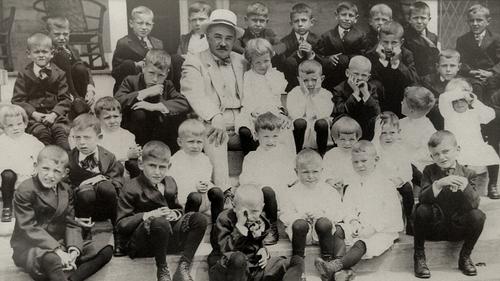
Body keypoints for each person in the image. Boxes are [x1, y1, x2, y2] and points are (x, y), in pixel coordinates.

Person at [10, 146, 112, 281]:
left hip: (61, 240)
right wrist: (57, 251)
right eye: (45, 168)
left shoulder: (66, 190)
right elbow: (29, 228)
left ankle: (72, 277)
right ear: (36, 166)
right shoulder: (25, 189)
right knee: (51, 259)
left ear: (65, 173)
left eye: (57, 171)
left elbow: (71, 222)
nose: (50, 175)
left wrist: (73, 249)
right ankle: (57, 269)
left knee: (105, 249)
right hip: (32, 245)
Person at [116, 141, 208, 281]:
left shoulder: (170, 182)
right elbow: (121, 225)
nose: (157, 172)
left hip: (167, 239)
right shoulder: (131, 187)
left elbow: (178, 209)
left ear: (169, 167)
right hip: (142, 243)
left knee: (199, 219)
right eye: (152, 166)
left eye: (162, 167)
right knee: (159, 222)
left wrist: (174, 214)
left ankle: (183, 267)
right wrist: (149, 215)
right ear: (141, 164)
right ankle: (163, 270)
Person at [316, 140, 403, 280]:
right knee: (338, 230)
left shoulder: (386, 185)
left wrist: (373, 228)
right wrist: (353, 221)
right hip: (359, 226)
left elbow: (391, 214)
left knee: (362, 243)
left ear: (376, 160)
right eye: (355, 162)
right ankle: (342, 271)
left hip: (381, 231)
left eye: (364, 161)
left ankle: (334, 266)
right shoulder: (352, 184)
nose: (360, 165)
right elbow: (348, 207)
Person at [180, 9, 247, 191]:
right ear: (207, 36)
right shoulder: (194, 61)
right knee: (215, 137)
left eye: (228, 38)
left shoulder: (242, 61)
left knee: (278, 131)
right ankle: (224, 194)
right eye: (217, 37)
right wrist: (215, 116)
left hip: (244, 119)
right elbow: (194, 93)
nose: (223, 43)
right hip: (213, 120)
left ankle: (269, 191)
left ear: (235, 40)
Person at [413, 130, 486, 278]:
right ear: (431, 156)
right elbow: (422, 199)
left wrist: (465, 187)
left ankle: (465, 256)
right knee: (421, 210)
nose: (442, 157)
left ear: (457, 150)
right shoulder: (429, 171)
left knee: (478, 216)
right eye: (436, 154)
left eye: (446, 151)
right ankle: (419, 256)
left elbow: (474, 204)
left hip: (457, 228)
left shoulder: (468, 173)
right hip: (434, 227)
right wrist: (438, 185)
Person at [281, 149, 356, 281]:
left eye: (315, 172)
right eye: (305, 172)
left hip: (323, 234)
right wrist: (299, 216)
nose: (310, 176)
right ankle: (298, 264)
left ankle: (327, 261)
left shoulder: (328, 191)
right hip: (302, 234)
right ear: (296, 172)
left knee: (324, 222)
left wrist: (321, 214)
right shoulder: (291, 192)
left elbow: (338, 212)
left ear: (322, 170)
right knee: (299, 224)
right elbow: (284, 214)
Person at [209, 184, 303, 281]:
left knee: (296, 261)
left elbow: (258, 241)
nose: (249, 216)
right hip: (230, 270)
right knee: (238, 259)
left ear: (262, 207)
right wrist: (240, 227)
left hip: (254, 267)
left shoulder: (260, 219)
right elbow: (224, 250)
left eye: (255, 211)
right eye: (245, 212)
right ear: (234, 206)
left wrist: (263, 250)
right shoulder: (224, 219)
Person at [67, 114, 124, 255]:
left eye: (87, 138)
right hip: (83, 205)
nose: (82, 143)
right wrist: (82, 185)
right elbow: (65, 186)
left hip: (105, 205)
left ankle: (118, 232)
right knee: (86, 192)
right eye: (77, 137)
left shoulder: (108, 157)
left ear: (99, 138)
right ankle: (85, 233)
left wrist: (100, 179)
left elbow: (117, 182)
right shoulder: (69, 159)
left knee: (107, 187)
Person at [239, 112, 296, 245]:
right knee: (267, 190)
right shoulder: (251, 157)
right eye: (266, 137)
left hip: (281, 194)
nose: (271, 141)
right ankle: (271, 227)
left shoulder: (284, 155)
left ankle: (275, 225)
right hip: (260, 195)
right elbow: (246, 181)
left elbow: (291, 179)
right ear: (256, 135)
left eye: (275, 136)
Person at [115, 49, 189, 151]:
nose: (155, 79)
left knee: (177, 116)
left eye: (160, 75)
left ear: (167, 73)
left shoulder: (167, 85)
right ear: (144, 67)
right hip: (137, 131)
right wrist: (145, 92)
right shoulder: (131, 81)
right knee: (139, 114)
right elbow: (117, 101)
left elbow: (183, 103)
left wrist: (154, 106)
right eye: (151, 73)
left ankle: (169, 152)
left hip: (159, 132)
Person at [168, 118, 224, 250]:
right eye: (191, 142)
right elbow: (175, 186)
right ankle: (187, 228)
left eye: (199, 142)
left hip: (203, 200)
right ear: (180, 142)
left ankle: (216, 230)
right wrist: (195, 188)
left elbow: (206, 179)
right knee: (195, 196)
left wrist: (206, 186)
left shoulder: (204, 160)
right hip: (185, 202)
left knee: (217, 192)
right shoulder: (175, 161)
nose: (195, 146)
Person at [439, 78, 500, 199]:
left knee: (493, 156)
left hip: (476, 146)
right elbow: (443, 98)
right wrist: (460, 93)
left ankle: (492, 185)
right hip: (457, 148)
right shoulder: (448, 113)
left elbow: (490, 115)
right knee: (458, 165)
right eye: (455, 100)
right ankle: (463, 187)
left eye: (463, 99)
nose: (460, 103)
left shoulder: (474, 112)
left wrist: (474, 100)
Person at [12, 32, 72, 150]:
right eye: (36, 52)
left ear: (52, 53)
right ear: (29, 54)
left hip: (56, 117)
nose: (41, 55)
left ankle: (67, 164)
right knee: (41, 135)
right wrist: (34, 114)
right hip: (34, 119)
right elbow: (17, 100)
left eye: (44, 52)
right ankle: (44, 164)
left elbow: (65, 99)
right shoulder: (24, 74)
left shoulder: (59, 73)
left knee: (61, 136)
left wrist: (54, 114)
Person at [235, 38, 290, 154]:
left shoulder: (277, 75)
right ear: (251, 62)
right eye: (258, 62)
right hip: (253, 111)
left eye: (266, 61)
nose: (263, 65)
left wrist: (282, 113)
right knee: (244, 129)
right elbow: (247, 98)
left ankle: (277, 158)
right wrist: (253, 112)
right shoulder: (248, 76)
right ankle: (251, 158)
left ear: (271, 58)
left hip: (272, 111)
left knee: (280, 127)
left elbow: (279, 97)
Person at [372, 112, 414, 234]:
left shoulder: (401, 149)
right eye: (383, 133)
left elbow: (407, 170)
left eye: (392, 133)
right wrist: (376, 136)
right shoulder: (375, 148)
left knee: (407, 189)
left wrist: (400, 180)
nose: (388, 137)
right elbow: (371, 166)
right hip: (380, 182)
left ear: (398, 132)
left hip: (397, 181)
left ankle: (410, 219)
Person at [0, 105, 44, 222]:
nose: (16, 128)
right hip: (9, 178)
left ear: (25, 124)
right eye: (10, 125)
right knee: (7, 174)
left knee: (37, 180)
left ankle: (32, 210)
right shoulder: (3, 142)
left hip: (28, 174)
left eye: (19, 124)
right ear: (3, 127)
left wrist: (37, 167)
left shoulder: (31, 140)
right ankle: (7, 207)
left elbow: (41, 155)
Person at [366, 21, 419, 117]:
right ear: (378, 39)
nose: (389, 47)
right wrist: (382, 61)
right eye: (385, 42)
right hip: (380, 100)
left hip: (399, 98)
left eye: (394, 43)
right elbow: (369, 78)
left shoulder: (407, 54)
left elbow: (413, 79)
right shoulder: (371, 54)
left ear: (401, 42)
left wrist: (397, 63)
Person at [421, 49, 484, 130]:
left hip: (461, 128)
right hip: (435, 127)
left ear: (459, 67)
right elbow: (423, 106)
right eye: (444, 66)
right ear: (437, 67)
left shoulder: (470, 84)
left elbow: (477, 112)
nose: (448, 69)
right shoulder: (427, 82)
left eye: (452, 65)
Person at [46, 15, 95, 119]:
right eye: (57, 34)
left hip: (74, 90)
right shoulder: (45, 52)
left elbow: (86, 70)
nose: (62, 38)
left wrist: (90, 88)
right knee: (62, 57)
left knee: (80, 68)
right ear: (48, 33)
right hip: (55, 90)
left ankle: (80, 103)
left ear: (70, 33)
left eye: (65, 34)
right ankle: (77, 103)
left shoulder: (72, 50)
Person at [316, 1, 368, 91]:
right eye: (344, 15)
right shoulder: (327, 36)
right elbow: (319, 57)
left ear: (356, 18)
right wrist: (328, 59)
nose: (347, 19)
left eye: (350, 16)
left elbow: (363, 56)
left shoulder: (361, 36)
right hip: (332, 77)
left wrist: (345, 59)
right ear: (336, 15)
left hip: (352, 78)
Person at [111, 6, 163, 93]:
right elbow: (115, 72)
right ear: (131, 23)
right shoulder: (124, 43)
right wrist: (135, 65)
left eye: (148, 24)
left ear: (152, 25)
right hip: (133, 86)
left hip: (153, 82)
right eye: (140, 23)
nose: (144, 27)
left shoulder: (158, 43)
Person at [287, 60, 334, 155]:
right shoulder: (294, 93)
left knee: (322, 123)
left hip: (317, 131)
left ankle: (321, 154)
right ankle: (298, 153)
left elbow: (323, 115)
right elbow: (296, 115)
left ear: (322, 79)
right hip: (300, 132)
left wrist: (314, 96)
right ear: (299, 80)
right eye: (305, 80)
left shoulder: (326, 94)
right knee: (299, 122)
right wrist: (305, 94)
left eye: (314, 80)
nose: (310, 84)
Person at [331, 55, 382, 140]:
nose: (359, 78)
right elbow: (339, 111)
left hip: (365, 128)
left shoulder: (371, 88)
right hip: (347, 127)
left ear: (368, 77)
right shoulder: (339, 89)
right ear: (347, 73)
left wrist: (365, 93)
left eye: (364, 75)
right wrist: (355, 93)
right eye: (356, 74)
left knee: (375, 119)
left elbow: (377, 112)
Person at [275, 3, 320, 91]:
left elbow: (323, 64)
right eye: (296, 21)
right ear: (291, 23)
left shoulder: (318, 40)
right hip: (293, 85)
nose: (300, 24)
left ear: (312, 22)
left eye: (303, 20)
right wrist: (297, 55)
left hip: (314, 85)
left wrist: (311, 55)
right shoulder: (285, 42)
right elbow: (283, 67)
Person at [94, 96, 142, 178]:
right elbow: (101, 160)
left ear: (121, 116)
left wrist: (137, 153)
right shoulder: (97, 136)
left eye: (115, 116)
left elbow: (132, 158)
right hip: (105, 174)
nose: (112, 121)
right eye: (107, 118)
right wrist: (127, 155)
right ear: (98, 119)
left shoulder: (128, 135)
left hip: (125, 174)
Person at [456, 4, 500, 87]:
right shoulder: (462, 40)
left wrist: (492, 73)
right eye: (471, 21)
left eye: (479, 20)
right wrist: (470, 71)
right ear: (467, 22)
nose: (475, 24)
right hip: (471, 77)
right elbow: (460, 60)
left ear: (488, 21)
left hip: (493, 77)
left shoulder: (496, 39)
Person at [399, 86, 436, 174]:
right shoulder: (401, 122)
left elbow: (423, 158)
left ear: (412, 110)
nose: (401, 103)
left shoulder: (428, 131)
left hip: (415, 171)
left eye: (403, 102)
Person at [323, 116, 361, 196]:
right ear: (335, 139)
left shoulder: (360, 154)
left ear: (357, 139)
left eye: (351, 139)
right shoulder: (331, 155)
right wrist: (332, 182)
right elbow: (325, 174)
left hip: (355, 189)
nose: (347, 143)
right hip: (335, 190)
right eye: (343, 139)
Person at [404, 1, 440, 77]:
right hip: (413, 77)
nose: (419, 21)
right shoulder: (405, 37)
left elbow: (435, 60)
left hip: (430, 77)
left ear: (429, 19)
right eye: (415, 18)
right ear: (409, 19)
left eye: (423, 18)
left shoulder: (433, 37)